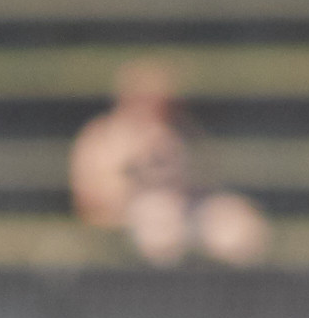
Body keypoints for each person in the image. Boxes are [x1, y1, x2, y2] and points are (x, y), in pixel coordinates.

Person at [71, 57, 271, 268]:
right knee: (161, 221)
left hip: (187, 213)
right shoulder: (103, 136)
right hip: (131, 221)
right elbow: (92, 197)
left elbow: (208, 183)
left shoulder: (182, 131)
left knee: (236, 222)